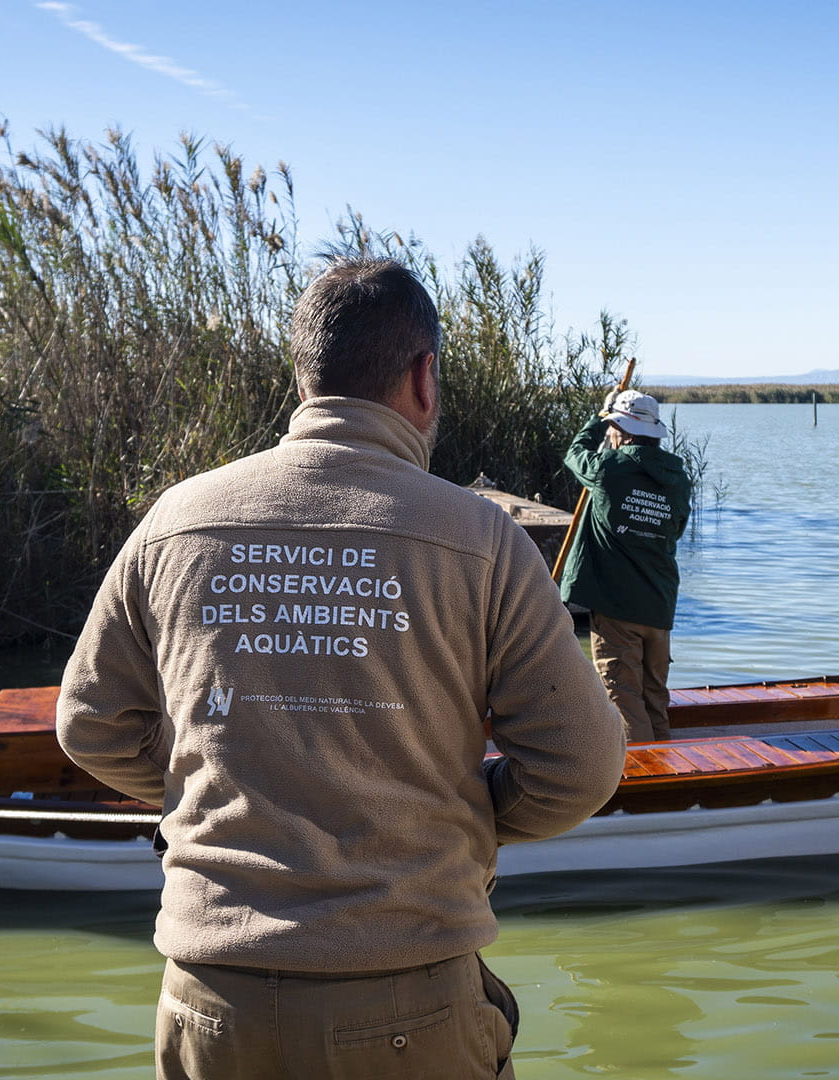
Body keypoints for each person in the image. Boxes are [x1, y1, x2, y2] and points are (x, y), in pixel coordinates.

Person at [57, 257, 623, 1080]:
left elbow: (87, 725)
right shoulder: (480, 538)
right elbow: (584, 765)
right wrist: (459, 812)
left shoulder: (175, 522)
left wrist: (220, 782)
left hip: (209, 1002)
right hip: (406, 997)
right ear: (424, 378)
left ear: (304, 378)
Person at [558, 389, 693, 742]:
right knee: (654, 700)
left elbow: (575, 454)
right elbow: (675, 530)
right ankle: (668, 776)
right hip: (659, 606)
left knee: (623, 701)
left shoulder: (609, 469)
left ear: (618, 429)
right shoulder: (678, 479)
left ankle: (640, 782)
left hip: (618, 607)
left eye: (612, 428)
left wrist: (597, 417)